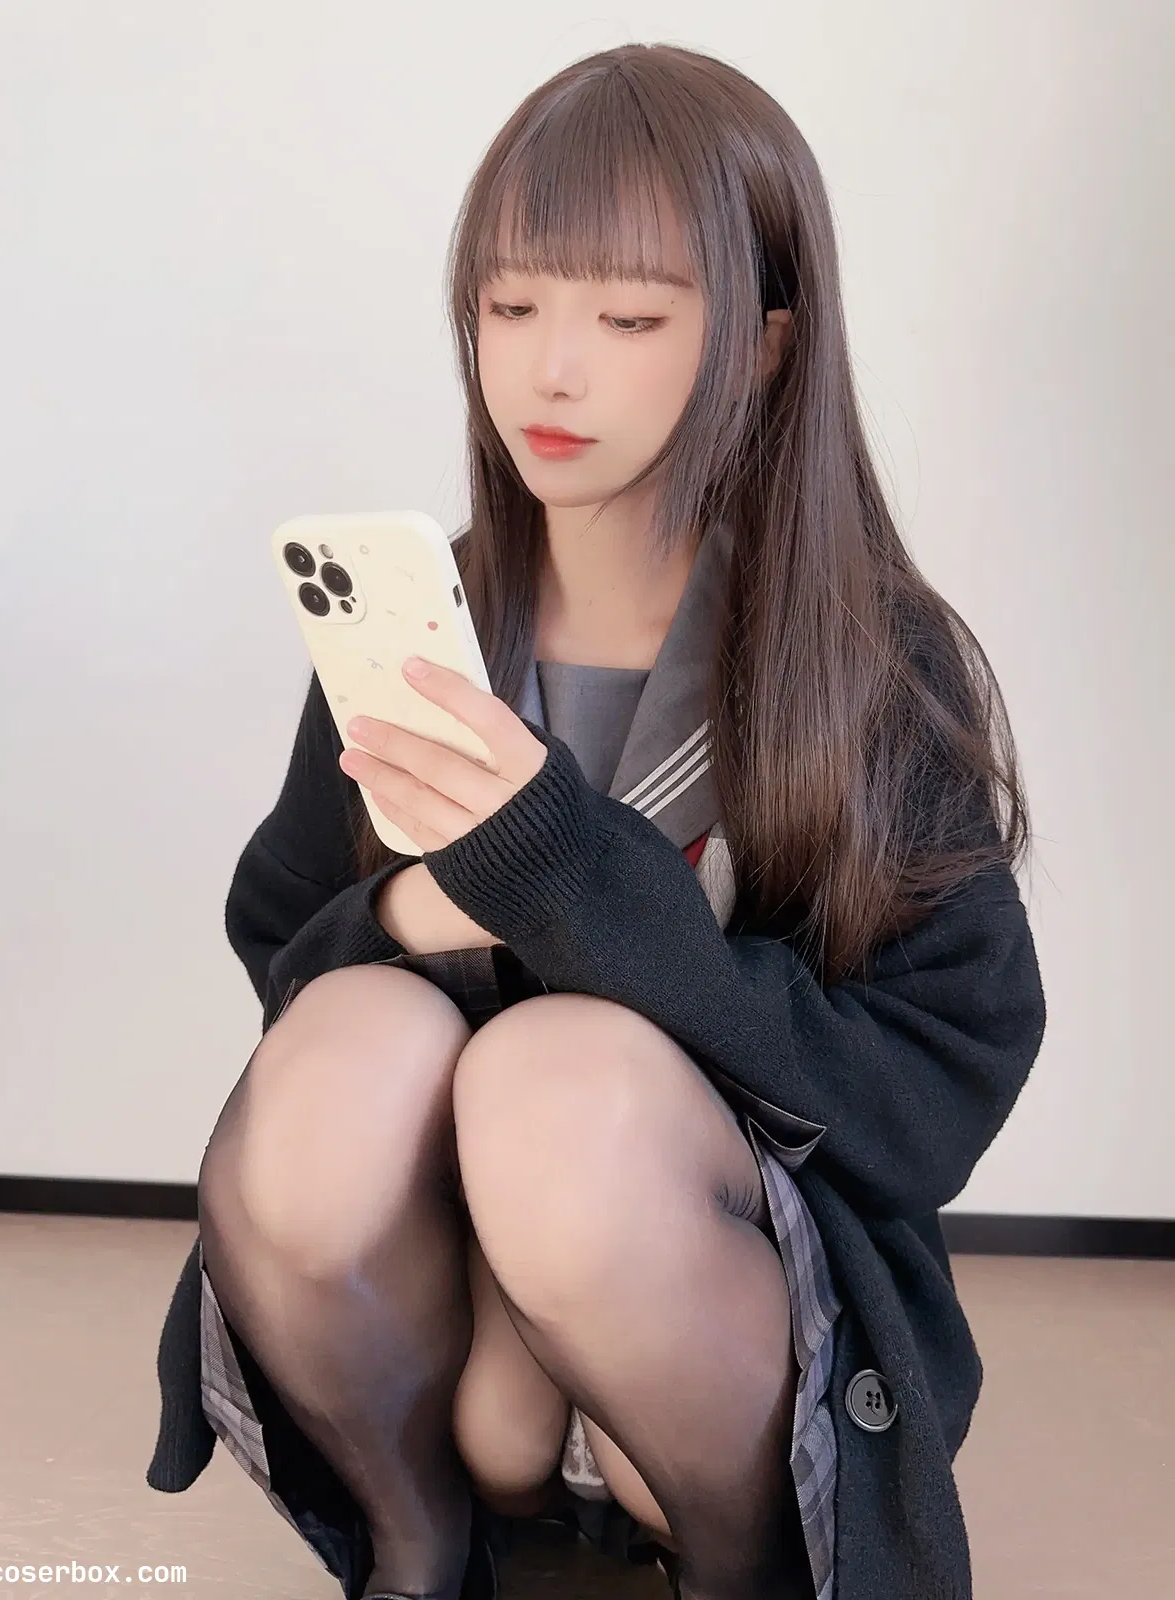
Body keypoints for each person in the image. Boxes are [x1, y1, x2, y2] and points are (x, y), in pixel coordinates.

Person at [145, 40, 1046, 1600]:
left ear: (762, 348)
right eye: (510, 307)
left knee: (558, 1081)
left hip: (699, 1288)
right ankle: (417, 1550)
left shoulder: (862, 660)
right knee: (347, 1032)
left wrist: (564, 878)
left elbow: (934, 1089)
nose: (550, 372)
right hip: (458, 1306)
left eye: (629, 319)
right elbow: (280, 956)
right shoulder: (423, 622)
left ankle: (741, 1564)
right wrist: (412, 915)